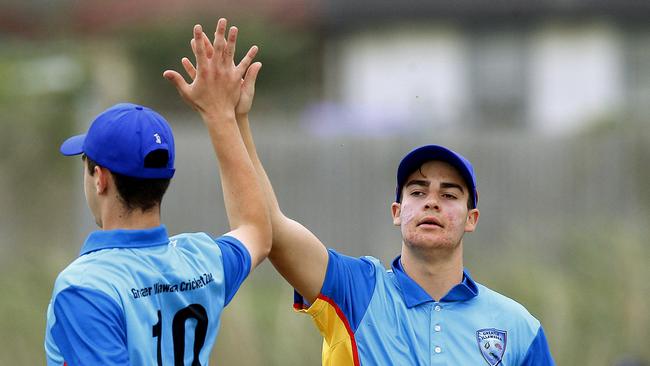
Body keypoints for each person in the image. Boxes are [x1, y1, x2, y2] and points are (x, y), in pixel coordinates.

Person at [181, 26, 555, 365]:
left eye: (450, 194)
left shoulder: (517, 328)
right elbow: (268, 229)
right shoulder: (356, 290)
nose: (432, 201)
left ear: (472, 218)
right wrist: (233, 120)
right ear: (397, 211)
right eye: (418, 190)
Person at [44, 19, 270, 365]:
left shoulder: (86, 287)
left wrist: (221, 113)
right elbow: (256, 230)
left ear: (100, 178)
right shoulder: (201, 260)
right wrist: (223, 115)